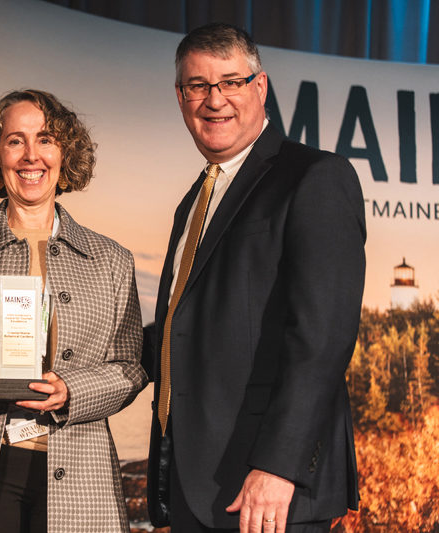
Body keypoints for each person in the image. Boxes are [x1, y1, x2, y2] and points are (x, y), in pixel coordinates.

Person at [145, 23, 365, 533]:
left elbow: (322, 338)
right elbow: (186, 328)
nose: (214, 99)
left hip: (267, 491)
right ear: (180, 98)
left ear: (260, 87)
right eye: (197, 85)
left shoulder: (314, 177)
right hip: (198, 484)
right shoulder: (195, 201)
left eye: (231, 82)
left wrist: (278, 466)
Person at [0, 89, 148, 533]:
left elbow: (131, 368)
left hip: (80, 476)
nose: (31, 155)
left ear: (65, 153)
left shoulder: (111, 259)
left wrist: (70, 390)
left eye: (46, 139)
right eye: (15, 141)